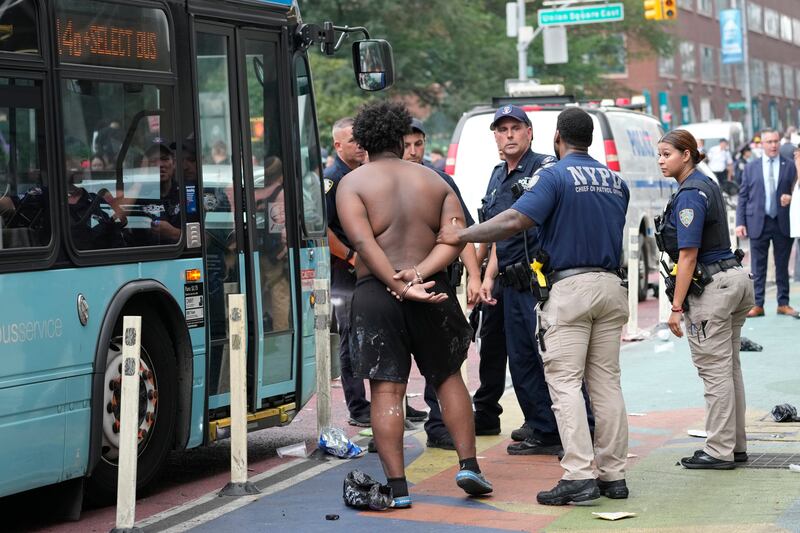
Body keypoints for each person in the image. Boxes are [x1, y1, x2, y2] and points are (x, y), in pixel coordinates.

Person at [438, 107, 630, 505]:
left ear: (557, 137)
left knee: (563, 383)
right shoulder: (615, 181)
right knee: (606, 385)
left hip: (570, 288)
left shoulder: (553, 174)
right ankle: (613, 475)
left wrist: (463, 235)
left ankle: (579, 475)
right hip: (612, 287)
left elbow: (512, 222)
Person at [338, 101, 493, 506]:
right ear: (398, 138)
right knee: (448, 378)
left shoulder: (353, 183)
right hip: (434, 290)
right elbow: (453, 239)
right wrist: (419, 275)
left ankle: (399, 489)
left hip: (377, 294)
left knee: (387, 390)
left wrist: (397, 284)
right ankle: (469, 465)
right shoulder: (435, 182)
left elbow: (362, 243)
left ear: (365, 141)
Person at [478, 104, 588, 456]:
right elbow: (500, 232)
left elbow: (525, 223)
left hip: (539, 282)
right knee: (520, 358)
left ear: (529, 132)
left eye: (515, 128)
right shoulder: (498, 175)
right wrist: (486, 276)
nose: (508, 135)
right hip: (508, 282)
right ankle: (542, 425)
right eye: (502, 129)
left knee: (552, 358)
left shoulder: (545, 169)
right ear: (494, 135)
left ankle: (577, 427)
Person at [656, 129, 754, 470]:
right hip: (735, 279)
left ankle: (719, 450)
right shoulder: (707, 182)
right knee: (728, 368)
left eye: (667, 153)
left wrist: (676, 307)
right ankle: (734, 445)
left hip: (713, 288)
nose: (661, 160)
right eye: (659, 154)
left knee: (715, 372)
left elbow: (687, 255)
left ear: (687, 154)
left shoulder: (690, 194)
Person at [324, 117, 426, 428]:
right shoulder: (333, 179)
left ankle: (393, 403)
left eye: (360, 139)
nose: (359, 144)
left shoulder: (364, 173)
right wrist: (354, 257)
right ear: (337, 145)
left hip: (370, 267)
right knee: (350, 336)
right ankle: (358, 405)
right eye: (351, 141)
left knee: (383, 333)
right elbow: (324, 229)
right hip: (346, 269)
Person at [403, 118, 483, 449]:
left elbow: (460, 232)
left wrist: (475, 276)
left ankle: (440, 425)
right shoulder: (379, 180)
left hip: (436, 284)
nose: (413, 151)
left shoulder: (441, 180)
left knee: (445, 360)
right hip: (394, 283)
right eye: (406, 144)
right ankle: (387, 434)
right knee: (392, 365)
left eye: (419, 144)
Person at [735, 129, 797, 317]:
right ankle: (757, 304)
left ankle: (783, 303)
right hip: (757, 222)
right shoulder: (751, 167)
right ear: (762, 144)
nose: (773, 145)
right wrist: (740, 222)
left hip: (782, 221)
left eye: (776, 141)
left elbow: (797, 190)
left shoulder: (790, 166)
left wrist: (792, 198)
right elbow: (743, 196)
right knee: (757, 266)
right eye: (769, 142)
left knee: (782, 265)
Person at [141, 138, 181, 245]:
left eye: (164, 159)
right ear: (146, 166)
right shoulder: (139, 196)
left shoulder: (186, 194)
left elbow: (205, 238)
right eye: (154, 161)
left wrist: (174, 234)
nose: (160, 165)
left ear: (174, 163)